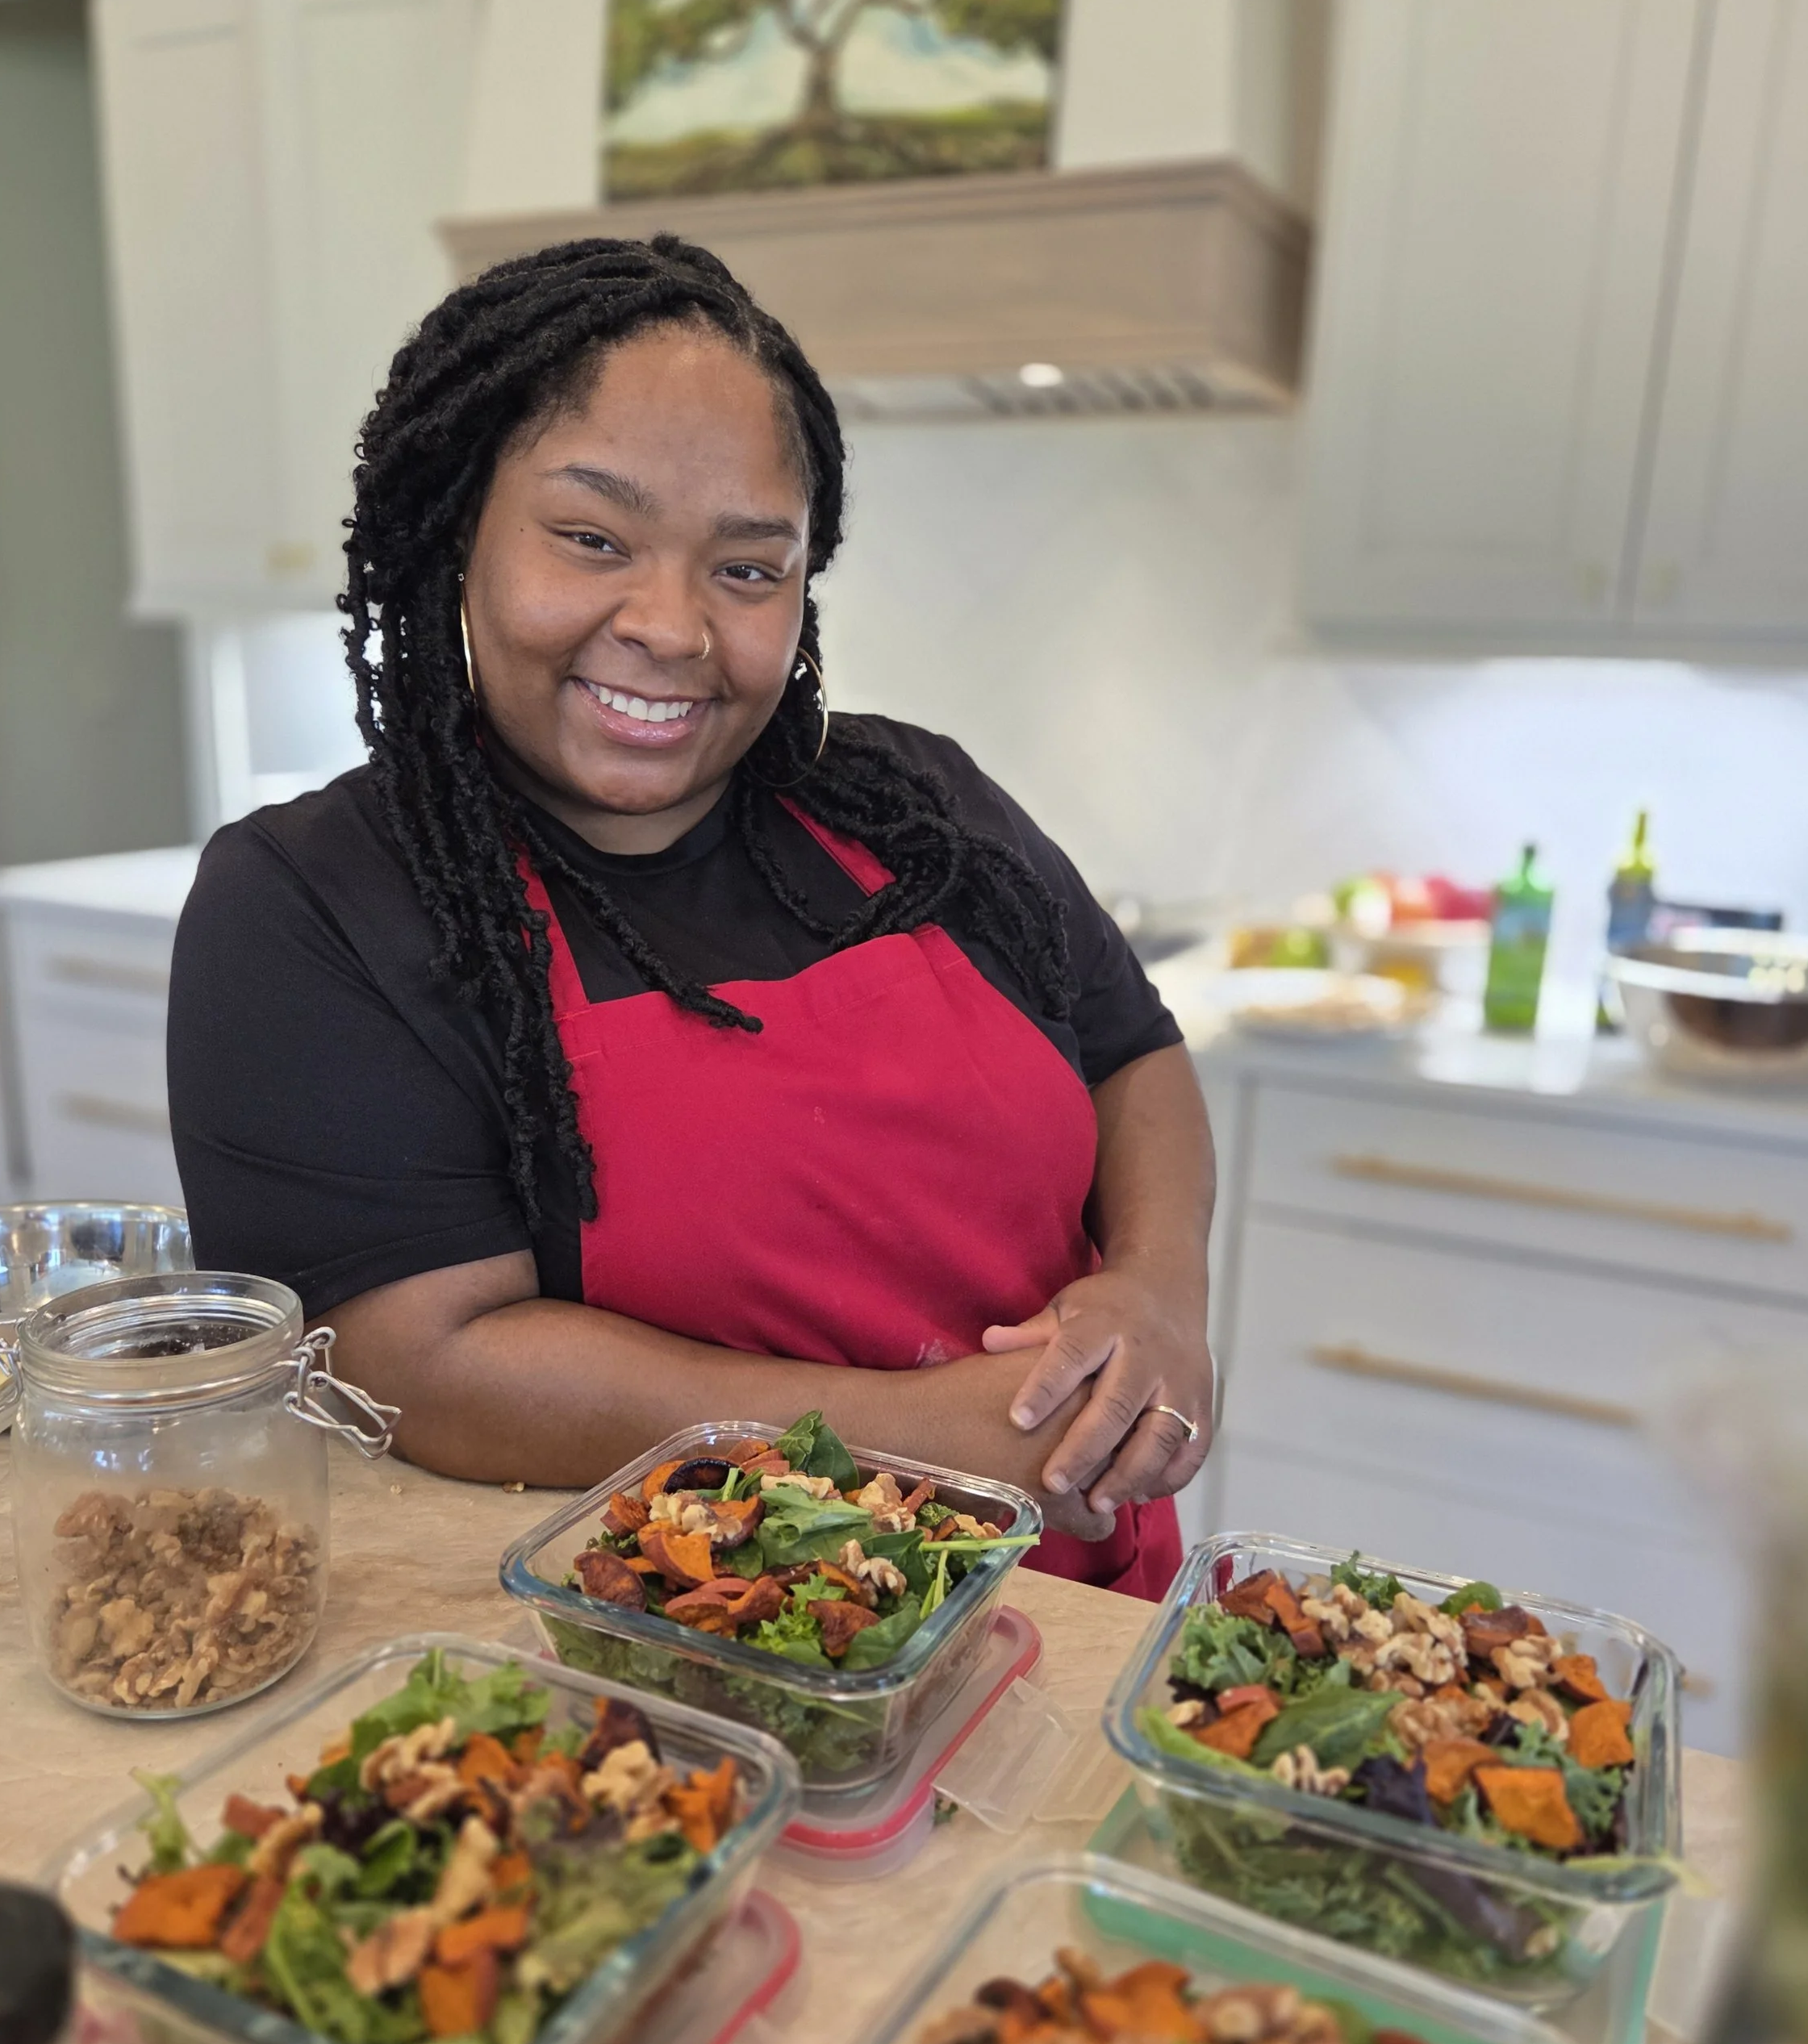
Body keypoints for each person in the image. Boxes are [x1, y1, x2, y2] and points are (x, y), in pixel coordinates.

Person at [169, 235, 1215, 1597]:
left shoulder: (916, 799)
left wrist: (1159, 1295)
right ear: (455, 536)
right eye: (593, 539)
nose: (671, 627)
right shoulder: (314, 904)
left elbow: (1134, 1054)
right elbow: (414, 1363)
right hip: (686, 1671)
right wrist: (908, 1447)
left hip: (1095, 1625)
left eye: (746, 568)